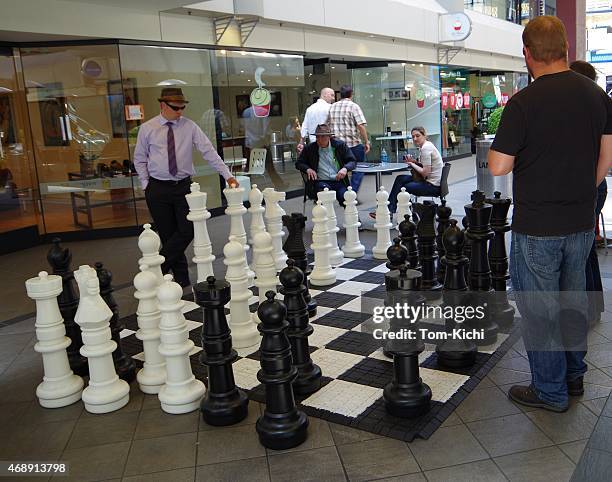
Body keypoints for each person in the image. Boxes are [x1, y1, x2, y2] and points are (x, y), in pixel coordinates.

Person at [488, 16, 612, 412]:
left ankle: (550, 391)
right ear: (566, 50)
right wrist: (581, 193)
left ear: (527, 54)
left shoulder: (523, 102)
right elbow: (606, 159)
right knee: (573, 300)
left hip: (537, 227)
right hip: (579, 223)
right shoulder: (597, 96)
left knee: (541, 312)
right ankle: (573, 378)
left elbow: (498, 167)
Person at [134, 87, 239, 288]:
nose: (180, 112)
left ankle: (157, 268)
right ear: (163, 105)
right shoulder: (147, 128)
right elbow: (139, 159)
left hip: (183, 187)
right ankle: (181, 279)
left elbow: (209, 152)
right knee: (168, 234)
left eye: (182, 107)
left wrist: (227, 175)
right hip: (157, 188)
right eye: (176, 108)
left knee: (187, 230)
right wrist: (146, 184)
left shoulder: (189, 127)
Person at [569, 60, 607, 325]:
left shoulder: (588, 108)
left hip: (590, 184)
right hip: (595, 184)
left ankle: (588, 311)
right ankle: (594, 308)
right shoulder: (598, 105)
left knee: (581, 251)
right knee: (587, 248)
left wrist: (588, 184)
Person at [369, 126, 442, 219]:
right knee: (400, 178)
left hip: (432, 185)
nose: (415, 139)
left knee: (403, 188)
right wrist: (415, 162)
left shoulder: (426, 149)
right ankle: (390, 210)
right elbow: (426, 167)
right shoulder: (427, 145)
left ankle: (410, 214)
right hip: (431, 181)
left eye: (417, 136)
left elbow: (425, 173)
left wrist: (411, 163)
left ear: (424, 135)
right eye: (413, 136)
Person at [295, 124, 356, 206]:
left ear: (329, 137)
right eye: (317, 137)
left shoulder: (340, 146)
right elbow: (299, 163)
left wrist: (345, 169)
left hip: (339, 181)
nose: (319, 139)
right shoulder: (310, 148)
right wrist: (308, 169)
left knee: (347, 198)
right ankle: (327, 218)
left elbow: (352, 161)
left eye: (323, 137)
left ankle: (355, 219)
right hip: (321, 181)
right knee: (325, 196)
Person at [327, 84, 370, 194]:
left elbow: (327, 126)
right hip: (353, 145)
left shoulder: (332, 107)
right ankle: (352, 193)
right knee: (359, 168)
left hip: (337, 146)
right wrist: (366, 142)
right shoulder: (353, 106)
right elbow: (360, 125)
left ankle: (344, 192)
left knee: (341, 169)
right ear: (351, 94)